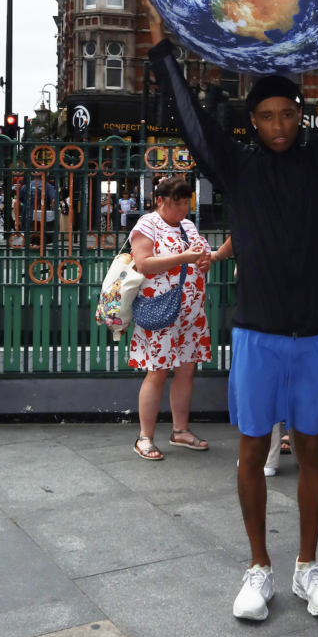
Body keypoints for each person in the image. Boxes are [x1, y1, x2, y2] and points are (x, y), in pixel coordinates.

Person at [141, 0, 318, 621]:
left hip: (315, 334)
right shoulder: (235, 168)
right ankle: (258, 567)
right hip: (260, 334)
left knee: (312, 449)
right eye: (265, 117)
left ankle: (307, 568)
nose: (278, 126)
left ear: (301, 115)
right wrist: (159, 48)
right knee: (252, 449)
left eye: (287, 114)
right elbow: (186, 110)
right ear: (253, 122)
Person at [213, 201, 318, 477]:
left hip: (270, 307)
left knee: (265, 392)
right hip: (287, 308)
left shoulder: (263, 192)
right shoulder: (306, 192)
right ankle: (295, 455)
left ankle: (275, 457)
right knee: (296, 396)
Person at [129, 175, 213, 460]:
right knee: (158, 371)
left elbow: (203, 256)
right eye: (177, 204)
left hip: (191, 312)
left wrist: (204, 260)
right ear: (161, 201)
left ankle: (180, 430)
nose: (183, 210)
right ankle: (145, 437)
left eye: (186, 204)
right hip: (161, 310)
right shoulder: (147, 225)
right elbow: (143, 263)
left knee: (186, 370)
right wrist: (184, 258)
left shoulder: (188, 225)